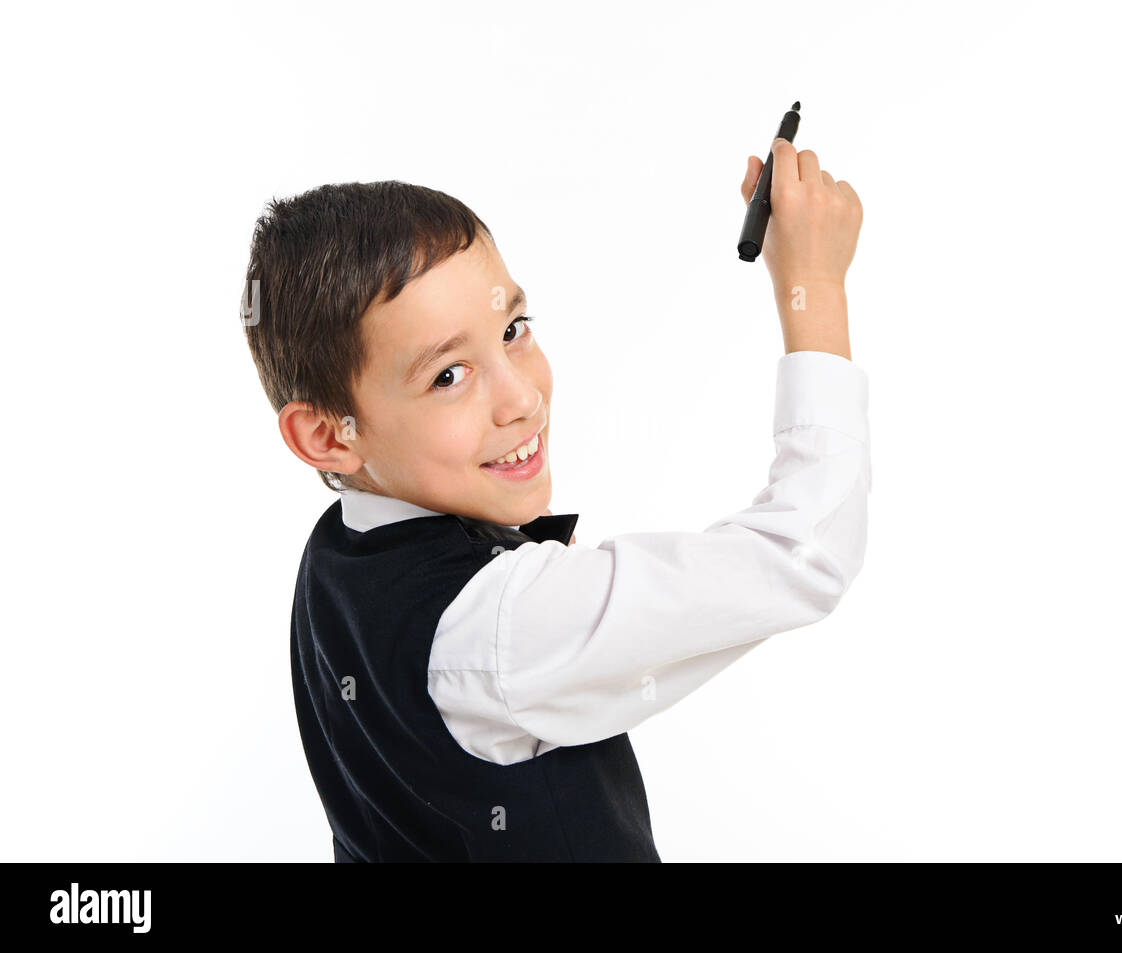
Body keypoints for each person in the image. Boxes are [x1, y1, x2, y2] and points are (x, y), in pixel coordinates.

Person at [241, 138, 870, 861]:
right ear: (325, 436)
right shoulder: (501, 625)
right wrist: (814, 287)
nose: (522, 395)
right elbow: (805, 554)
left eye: (512, 331)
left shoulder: (343, 544)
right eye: (448, 375)